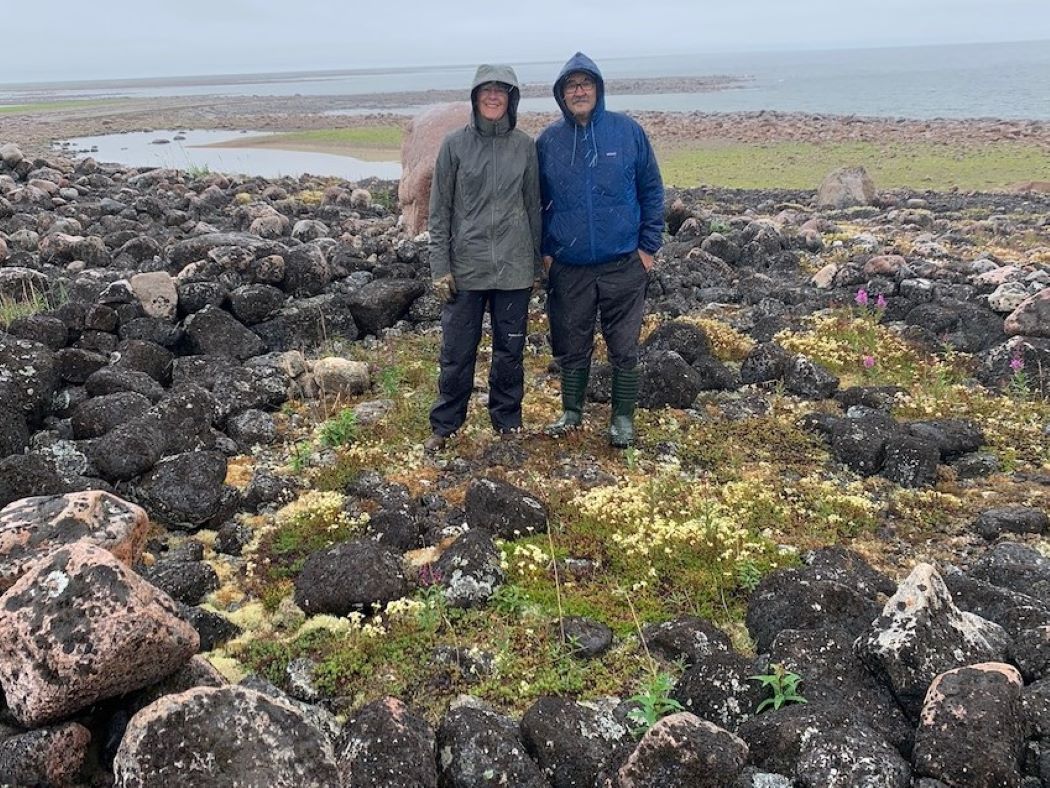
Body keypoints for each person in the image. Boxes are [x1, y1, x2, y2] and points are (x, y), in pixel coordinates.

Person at [537, 52, 664, 448]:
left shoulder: (627, 132)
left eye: (586, 83)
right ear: (561, 94)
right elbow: (534, 202)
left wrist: (648, 248)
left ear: (598, 88)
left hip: (624, 262)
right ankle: (571, 412)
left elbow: (651, 190)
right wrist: (546, 253)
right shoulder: (548, 142)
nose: (579, 91)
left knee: (624, 346)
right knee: (571, 344)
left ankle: (622, 418)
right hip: (569, 266)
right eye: (571, 86)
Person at [424, 63, 542, 452]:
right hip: (465, 269)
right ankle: (445, 425)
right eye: (486, 90)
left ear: (511, 98)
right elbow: (439, 212)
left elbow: (533, 207)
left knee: (510, 353)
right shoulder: (454, 145)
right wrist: (440, 268)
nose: (493, 96)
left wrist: (536, 264)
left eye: (501, 90)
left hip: (514, 270)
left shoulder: (524, 146)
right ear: (475, 97)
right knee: (456, 352)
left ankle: (507, 422)